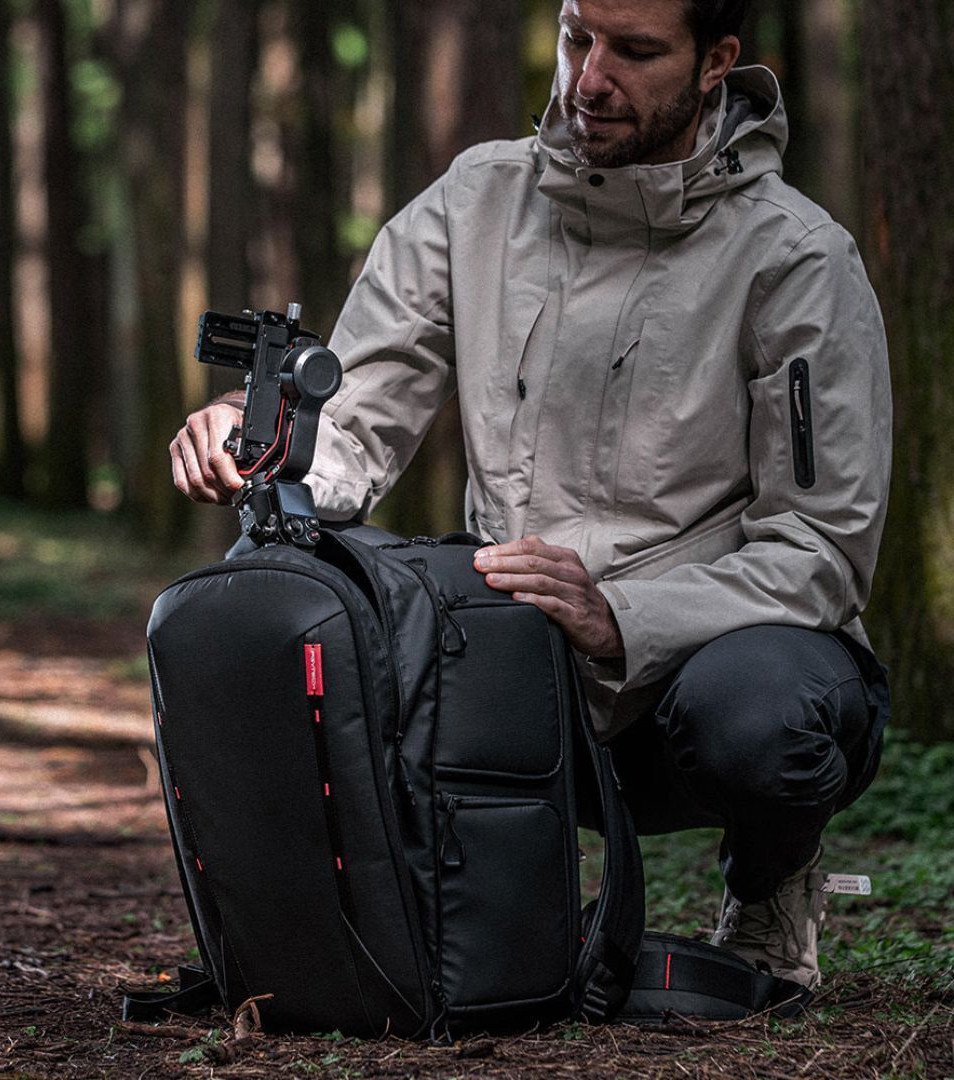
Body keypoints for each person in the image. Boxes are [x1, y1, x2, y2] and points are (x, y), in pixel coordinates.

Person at [170, 0, 891, 992]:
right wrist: (265, 440)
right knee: (274, 589)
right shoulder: (475, 201)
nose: (590, 78)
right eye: (577, 36)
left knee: (761, 717)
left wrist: (622, 616)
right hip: (508, 664)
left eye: (635, 51)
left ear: (716, 61)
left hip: (697, 683)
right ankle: (355, 926)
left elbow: (820, 547)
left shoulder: (797, 257)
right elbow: (359, 417)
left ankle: (772, 886)